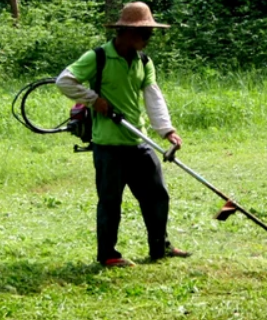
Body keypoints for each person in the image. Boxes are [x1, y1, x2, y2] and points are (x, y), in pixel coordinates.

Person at [55, 2, 190, 267]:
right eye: (144, 33)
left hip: (138, 141)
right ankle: (108, 254)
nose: (148, 39)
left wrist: (167, 130)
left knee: (157, 195)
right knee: (110, 202)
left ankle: (159, 247)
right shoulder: (98, 57)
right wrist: (94, 100)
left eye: (150, 33)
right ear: (126, 31)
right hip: (108, 145)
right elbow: (65, 80)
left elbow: (153, 97)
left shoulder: (144, 61)